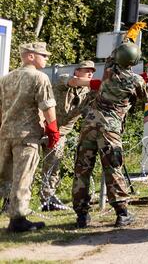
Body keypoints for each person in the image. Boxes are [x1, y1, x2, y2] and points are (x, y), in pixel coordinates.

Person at [71, 42, 148, 228]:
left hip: (89, 125)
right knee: (113, 169)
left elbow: (113, 56)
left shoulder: (109, 69)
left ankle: (82, 216)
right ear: (133, 61)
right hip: (110, 128)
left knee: (82, 169)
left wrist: (127, 39)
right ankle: (122, 213)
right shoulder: (135, 80)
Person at [0, 42, 59, 232]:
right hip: (27, 136)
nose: (46, 58)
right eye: (43, 55)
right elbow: (48, 106)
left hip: (5, 133)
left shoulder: (6, 78)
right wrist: (53, 131)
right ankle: (17, 219)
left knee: (3, 176)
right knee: (22, 178)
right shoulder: (39, 77)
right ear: (30, 56)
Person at [40, 60, 95, 211]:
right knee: (27, 165)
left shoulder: (88, 93)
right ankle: (12, 200)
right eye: (86, 70)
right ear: (77, 71)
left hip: (61, 133)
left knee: (52, 166)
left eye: (92, 71)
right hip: (40, 126)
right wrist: (97, 82)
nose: (90, 73)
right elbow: (73, 81)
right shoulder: (65, 78)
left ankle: (47, 198)